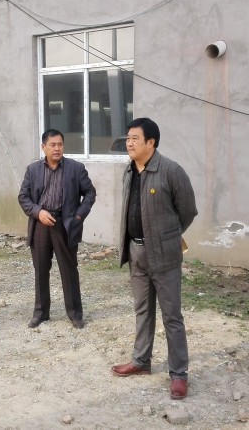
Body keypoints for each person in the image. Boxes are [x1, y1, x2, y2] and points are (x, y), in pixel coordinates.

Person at [111, 117, 197, 401]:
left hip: (164, 256)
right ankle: (141, 361)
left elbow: (187, 211)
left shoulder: (171, 171)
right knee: (142, 310)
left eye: (135, 138)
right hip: (136, 252)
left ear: (151, 142)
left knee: (172, 316)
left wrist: (167, 237)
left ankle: (179, 374)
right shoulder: (129, 171)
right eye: (128, 138)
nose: (129, 143)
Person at [18, 129, 96, 329]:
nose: (57, 148)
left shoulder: (76, 168)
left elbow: (90, 193)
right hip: (41, 224)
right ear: (43, 147)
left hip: (65, 224)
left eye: (60, 144)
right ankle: (41, 313)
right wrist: (38, 212)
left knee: (68, 270)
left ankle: (75, 314)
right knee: (41, 269)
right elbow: (23, 197)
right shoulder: (33, 170)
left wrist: (78, 216)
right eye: (52, 145)